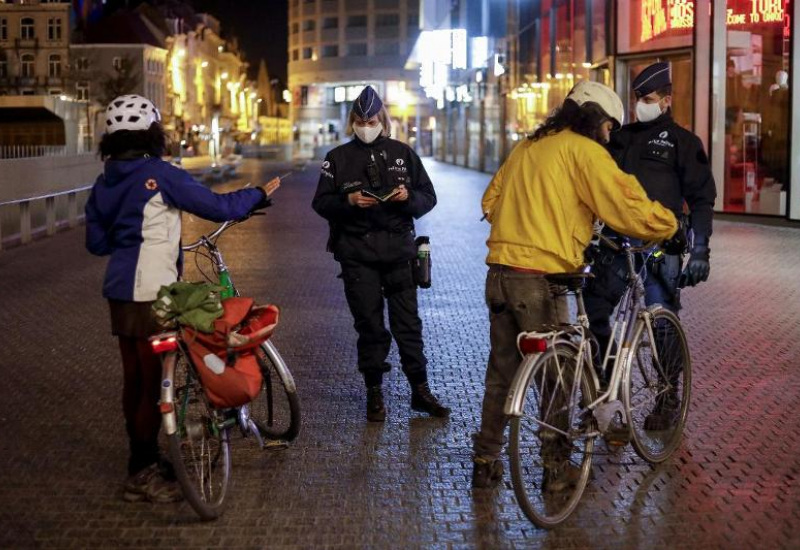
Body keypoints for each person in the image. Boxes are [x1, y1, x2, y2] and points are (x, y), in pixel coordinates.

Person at [472, 81, 684, 489]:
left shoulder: (528, 147)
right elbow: (625, 204)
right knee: (557, 375)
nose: (610, 136)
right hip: (540, 279)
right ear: (594, 119)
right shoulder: (583, 151)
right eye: (608, 127)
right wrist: (669, 225)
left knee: (501, 373)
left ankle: (485, 460)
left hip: (500, 274)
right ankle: (555, 468)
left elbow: (490, 202)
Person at [85, 94, 280, 503]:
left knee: (134, 379)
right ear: (153, 133)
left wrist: (129, 231)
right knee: (153, 383)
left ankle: (145, 459)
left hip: (119, 292)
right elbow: (214, 205)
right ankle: (141, 471)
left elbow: (96, 243)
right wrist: (257, 195)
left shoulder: (104, 182)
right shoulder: (159, 173)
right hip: (154, 293)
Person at [583, 62, 716, 429]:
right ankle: (606, 388)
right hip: (614, 244)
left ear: (667, 100)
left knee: (661, 322)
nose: (640, 103)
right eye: (637, 97)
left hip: (660, 248)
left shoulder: (684, 144)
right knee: (593, 313)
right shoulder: (619, 138)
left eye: (648, 98)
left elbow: (702, 199)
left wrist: (700, 249)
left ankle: (666, 397)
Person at [311, 86, 449, 422]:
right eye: (360, 120)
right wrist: (349, 202)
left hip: (400, 252)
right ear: (352, 122)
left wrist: (406, 197)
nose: (366, 124)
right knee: (370, 327)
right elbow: (320, 203)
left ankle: (420, 390)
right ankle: (374, 393)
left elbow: (427, 196)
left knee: (409, 326)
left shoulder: (403, 153)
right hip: (357, 254)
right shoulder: (337, 158)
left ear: (382, 119)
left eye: (371, 119)